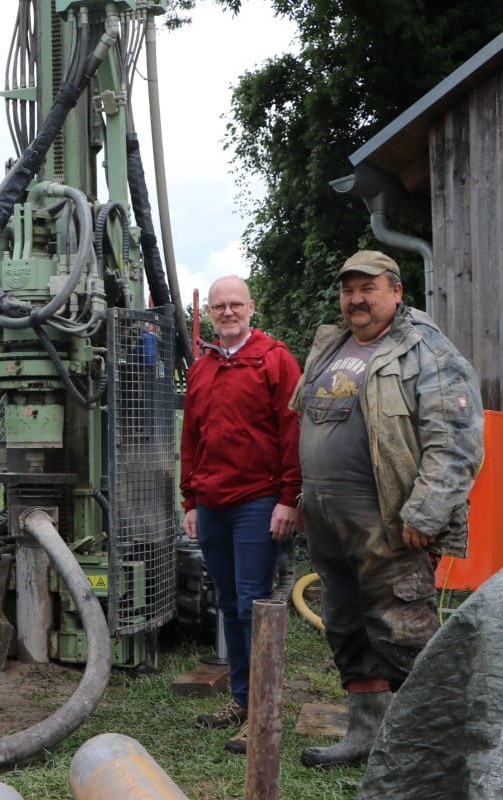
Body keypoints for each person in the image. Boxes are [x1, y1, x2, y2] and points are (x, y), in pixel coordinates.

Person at [291, 250, 483, 768]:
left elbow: (456, 442)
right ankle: (366, 736)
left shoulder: (426, 352)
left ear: (396, 292)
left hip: (391, 522)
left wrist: (425, 513)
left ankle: (439, 749)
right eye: (348, 289)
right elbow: (305, 426)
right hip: (330, 522)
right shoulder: (333, 346)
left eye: (368, 288)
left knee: (405, 633)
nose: (356, 299)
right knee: (348, 627)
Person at [180, 275, 301, 754]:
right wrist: (191, 500)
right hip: (212, 505)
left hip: (258, 501)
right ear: (209, 313)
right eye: (218, 306)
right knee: (228, 602)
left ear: (252, 307)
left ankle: (263, 712)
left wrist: (289, 498)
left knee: (254, 604)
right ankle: (241, 699)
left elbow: (293, 430)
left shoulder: (275, 360)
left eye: (235, 304)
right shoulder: (202, 368)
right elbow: (192, 437)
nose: (227, 313)